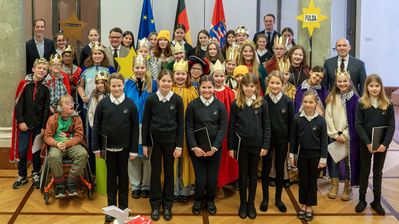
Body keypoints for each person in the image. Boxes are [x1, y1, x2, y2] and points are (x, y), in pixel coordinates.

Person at [92, 73, 139, 223]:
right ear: (109, 86)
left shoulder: (130, 104)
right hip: (108, 149)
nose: (116, 88)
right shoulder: (103, 104)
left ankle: (123, 210)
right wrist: (96, 147)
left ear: (123, 85)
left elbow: (134, 129)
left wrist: (133, 150)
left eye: (119, 85)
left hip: (125, 149)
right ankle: (111, 209)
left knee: (124, 178)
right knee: (111, 179)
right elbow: (96, 127)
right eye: (113, 86)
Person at [142, 69, 184, 221]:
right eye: (163, 80)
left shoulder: (177, 100)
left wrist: (179, 146)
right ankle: (155, 205)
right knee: (155, 173)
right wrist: (145, 145)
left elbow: (181, 125)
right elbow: (146, 123)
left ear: (172, 83)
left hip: (171, 144)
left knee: (169, 174)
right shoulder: (151, 100)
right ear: (158, 81)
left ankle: (167, 206)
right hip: (155, 143)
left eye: (168, 81)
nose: (166, 83)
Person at [228, 73, 270, 219]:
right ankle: (243, 203)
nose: (249, 89)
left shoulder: (262, 103)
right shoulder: (236, 104)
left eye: (252, 86)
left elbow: (266, 126)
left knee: (253, 176)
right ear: (241, 86)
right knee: (243, 176)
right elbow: (232, 126)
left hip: (256, 145)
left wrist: (265, 145)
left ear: (256, 87)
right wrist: (231, 147)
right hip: (241, 146)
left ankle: (251, 203)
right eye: (246, 86)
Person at [186, 75, 228, 216]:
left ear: (213, 88)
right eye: (204, 87)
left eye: (209, 87)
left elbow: (223, 128)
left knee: (212, 179)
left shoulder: (220, 106)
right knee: (201, 179)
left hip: (214, 150)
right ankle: (198, 201)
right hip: (197, 150)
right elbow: (189, 128)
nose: (207, 90)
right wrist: (194, 147)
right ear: (199, 88)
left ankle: (210, 201)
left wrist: (214, 147)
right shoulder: (192, 106)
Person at [355, 74, 395, 215]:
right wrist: (367, 143)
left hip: (381, 145)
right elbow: (358, 125)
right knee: (364, 171)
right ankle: (362, 200)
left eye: (377, 85)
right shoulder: (361, 103)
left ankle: (376, 201)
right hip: (366, 143)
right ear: (367, 87)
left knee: (378, 172)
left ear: (381, 87)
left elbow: (391, 126)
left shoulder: (388, 104)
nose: (374, 88)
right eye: (371, 85)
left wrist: (385, 143)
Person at [11, 58, 50, 189]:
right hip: (25, 125)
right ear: (33, 69)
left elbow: (46, 108)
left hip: (38, 125)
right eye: (39, 68)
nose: (41, 70)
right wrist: (21, 121)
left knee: (36, 151)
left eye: (44, 69)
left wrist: (44, 126)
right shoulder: (24, 84)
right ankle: (22, 175)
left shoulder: (45, 88)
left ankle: (36, 173)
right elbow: (18, 105)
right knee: (22, 151)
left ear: (46, 72)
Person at [290, 91, 328, 222]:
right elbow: (293, 139)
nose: (308, 104)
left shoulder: (321, 121)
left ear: (316, 103)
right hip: (301, 156)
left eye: (311, 102)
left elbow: (324, 142)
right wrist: (292, 155)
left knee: (312, 182)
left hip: (316, 157)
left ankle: (310, 206)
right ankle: (302, 205)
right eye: (305, 102)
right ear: (302, 103)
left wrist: (323, 159)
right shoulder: (297, 119)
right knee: (303, 181)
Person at [124, 54, 157, 199]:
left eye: (142, 67)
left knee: (147, 155)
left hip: (147, 124)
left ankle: (146, 185)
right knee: (133, 156)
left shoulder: (153, 84)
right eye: (137, 67)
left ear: (146, 68)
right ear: (133, 68)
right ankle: (136, 184)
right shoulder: (127, 84)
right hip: (131, 124)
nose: (139, 70)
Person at [261, 71, 294, 213]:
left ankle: (279, 199)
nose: (274, 86)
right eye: (272, 83)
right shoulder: (263, 101)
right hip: (267, 141)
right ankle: (265, 198)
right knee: (266, 169)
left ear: (283, 84)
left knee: (280, 169)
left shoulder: (287, 101)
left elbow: (291, 124)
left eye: (278, 83)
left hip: (282, 140)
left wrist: (290, 143)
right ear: (268, 83)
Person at [43, 95, 88, 198]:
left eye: (72, 102)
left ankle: (72, 182)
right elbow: (47, 137)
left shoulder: (77, 118)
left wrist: (67, 144)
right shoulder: (52, 119)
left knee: (83, 153)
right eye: (67, 103)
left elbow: (79, 136)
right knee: (53, 156)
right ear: (60, 107)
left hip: (72, 144)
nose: (71, 105)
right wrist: (57, 144)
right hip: (57, 145)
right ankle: (59, 185)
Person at [325, 70, 360, 201]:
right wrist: (334, 134)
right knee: (334, 161)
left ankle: (347, 187)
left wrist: (344, 135)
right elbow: (328, 117)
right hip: (333, 135)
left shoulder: (355, 99)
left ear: (349, 81)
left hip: (348, 137)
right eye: (339, 81)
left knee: (347, 162)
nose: (342, 83)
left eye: (345, 81)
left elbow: (355, 120)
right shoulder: (332, 97)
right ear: (336, 82)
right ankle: (334, 186)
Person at [171, 60, 198, 202]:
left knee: (186, 158)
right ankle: (174, 189)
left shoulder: (192, 92)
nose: (180, 77)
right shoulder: (169, 90)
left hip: (187, 132)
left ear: (187, 75)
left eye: (183, 74)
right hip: (172, 132)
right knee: (173, 159)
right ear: (173, 75)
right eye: (177, 74)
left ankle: (185, 189)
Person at [211, 60, 239, 198]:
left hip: (227, 130)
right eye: (216, 76)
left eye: (221, 76)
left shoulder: (230, 93)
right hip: (212, 131)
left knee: (225, 157)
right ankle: (213, 184)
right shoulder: (208, 91)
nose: (219, 79)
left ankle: (222, 184)